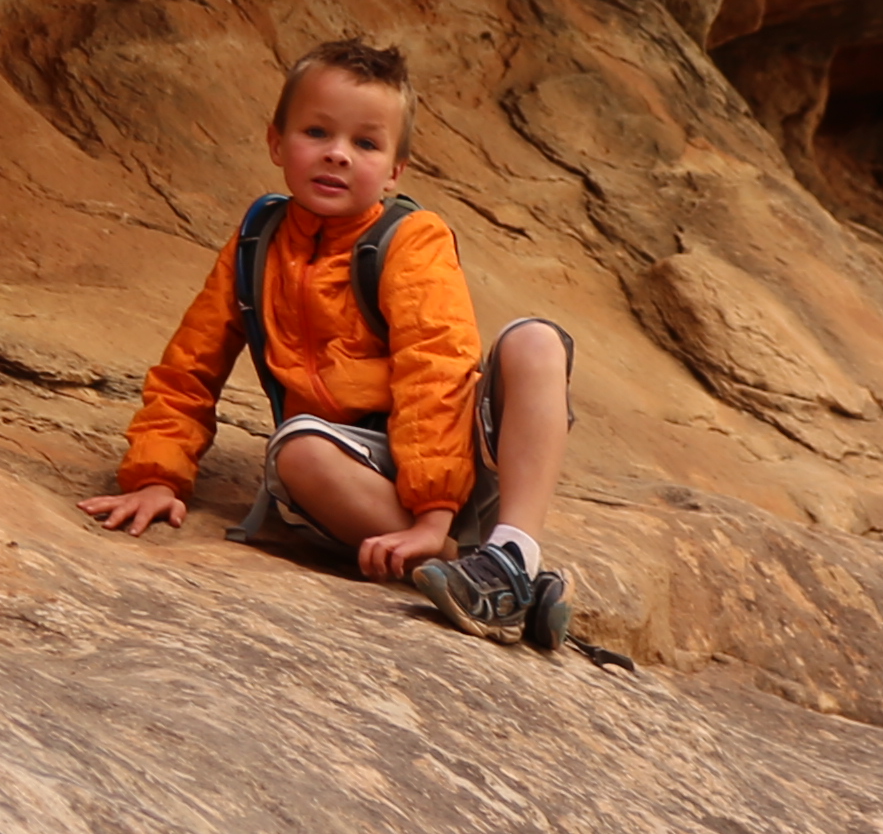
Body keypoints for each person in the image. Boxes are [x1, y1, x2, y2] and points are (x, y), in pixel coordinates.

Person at [81, 35, 579, 652]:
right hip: (351, 472)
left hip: (450, 455)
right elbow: (191, 365)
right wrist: (157, 477)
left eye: (365, 143)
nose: (337, 155)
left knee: (536, 343)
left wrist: (433, 511)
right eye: (317, 133)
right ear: (276, 142)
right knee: (296, 452)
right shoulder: (257, 241)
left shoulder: (411, 239)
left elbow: (436, 367)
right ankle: (479, 574)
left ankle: (510, 552)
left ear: (396, 171)